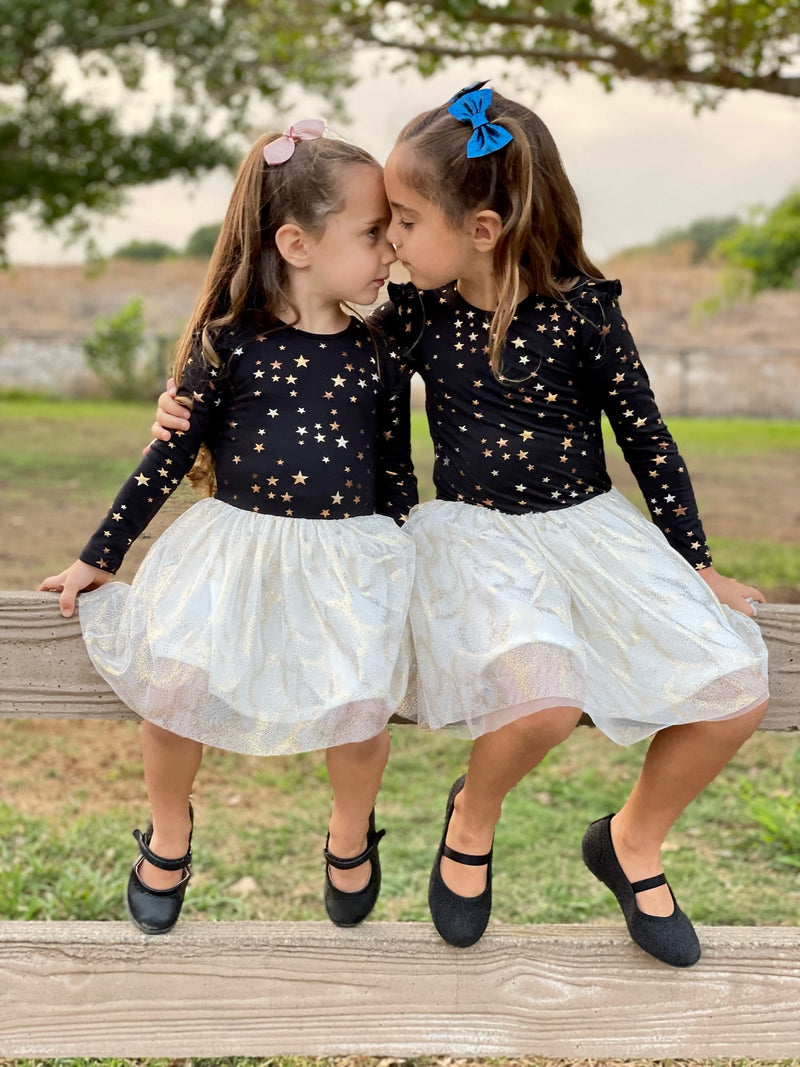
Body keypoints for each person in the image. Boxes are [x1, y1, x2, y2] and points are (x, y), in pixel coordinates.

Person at [151, 86, 770, 967]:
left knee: (738, 689)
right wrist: (187, 407)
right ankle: (471, 816)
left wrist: (696, 563)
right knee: (547, 699)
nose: (390, 241)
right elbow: (302, 357)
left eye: (402, 220)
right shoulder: (418, 317)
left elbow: (648, 438)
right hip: (477, 538)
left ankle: (631, 838)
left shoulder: (586, 311)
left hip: (590, 530)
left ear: (480, 229)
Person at [39, 122, 417, 936]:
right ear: (298, 243)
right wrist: (96, 557)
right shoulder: (228, 344)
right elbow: (164, 461)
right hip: (234, 548)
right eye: (374, 234)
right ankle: (170, 831)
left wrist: (412, 549)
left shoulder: (383, 351)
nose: (391, 253)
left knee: (360, 709)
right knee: (173, 691)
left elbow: (395, 469)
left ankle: (349, 834)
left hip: (347, 555)